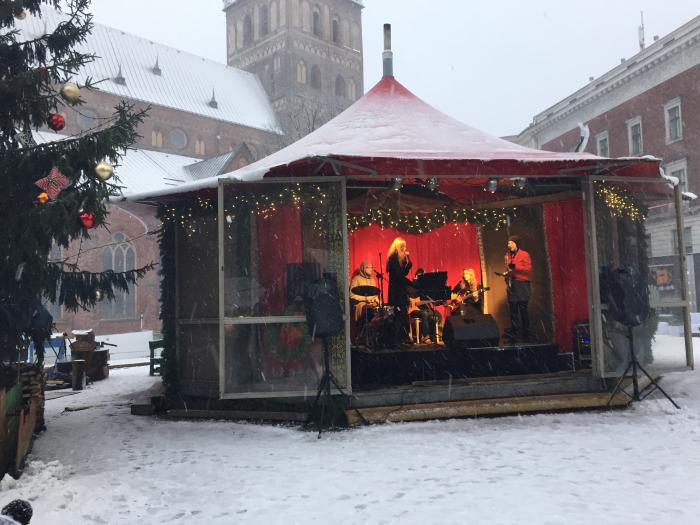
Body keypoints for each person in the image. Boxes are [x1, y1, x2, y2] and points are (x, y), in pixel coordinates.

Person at [504, 235, 532, 341]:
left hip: (522, 285)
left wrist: (515, 266)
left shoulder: (524, 254)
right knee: (513, 311)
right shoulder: (507, 255)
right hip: (512, 285)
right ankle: (514, 333)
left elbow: (528, 269)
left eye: (510, 243)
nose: (508, 245)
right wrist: (506, 275)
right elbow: (508, 269)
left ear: (516, 244)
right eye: (508, 243)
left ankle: (526, 334)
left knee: (523, 311)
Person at [386, 237, 413, 346]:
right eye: (402, 247)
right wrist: (411, 283)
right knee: (399, 315)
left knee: (402, 315)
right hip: (396, 292)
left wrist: (407, 266)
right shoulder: (393, 258)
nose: (405, 249)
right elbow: (399, 276)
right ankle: (396, 340)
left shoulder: (398, 258)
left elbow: (402, 274)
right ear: (398, 247)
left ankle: (400, 339)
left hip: (400, 291)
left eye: (405, 246)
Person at [410, 268, 443, 344]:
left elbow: (432, 302)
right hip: (415, 310)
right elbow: (417, 303)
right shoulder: (413, 286)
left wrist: (440, 302)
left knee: (437, 314)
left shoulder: (425, 288)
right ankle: (426, 336)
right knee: (425, 313)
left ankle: (434, 335)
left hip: (426, 309)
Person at [349, 260, 380, 326]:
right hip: (361, 304)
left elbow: (375, 294)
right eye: (368, 267)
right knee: (369, 311)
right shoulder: (356, 279)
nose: (371, 269)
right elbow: (352, 295)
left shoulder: (373, 280)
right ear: (363, 268)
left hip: (372, 303)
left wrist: (376, 299)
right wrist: (366, 299)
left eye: (372, 267)